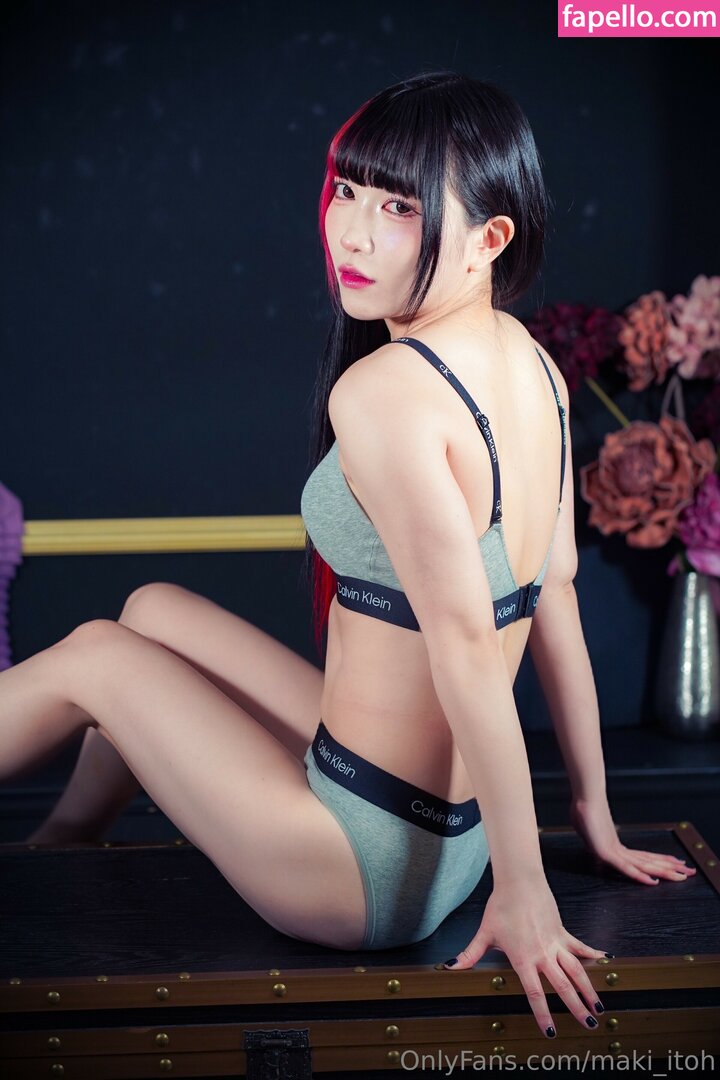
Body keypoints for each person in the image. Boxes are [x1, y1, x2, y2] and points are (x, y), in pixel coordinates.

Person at [2, 70, 693, 1040]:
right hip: (448, 842)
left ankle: (67, 836)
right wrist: (591, 810)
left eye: (400, 208)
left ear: (489, 239)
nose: (352, 234)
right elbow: (558, 602)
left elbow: (467, 648)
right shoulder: (534, 365)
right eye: (348, 192)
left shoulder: (385, 394)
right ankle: (66, 842)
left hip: (361, 866)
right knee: (152, 608)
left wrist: (528, 891)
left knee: (95, 658)